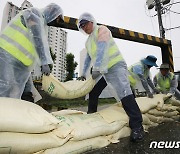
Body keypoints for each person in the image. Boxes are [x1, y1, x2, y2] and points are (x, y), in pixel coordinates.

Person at [77, 12, 144, 142]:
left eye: (85, 24)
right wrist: (83, 74)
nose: (84, 28)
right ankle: (92, 117)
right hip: (103, 70)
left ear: (91, 21)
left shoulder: (102, 30)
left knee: (124, 92)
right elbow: (87, 59)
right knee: (93, 91)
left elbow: (102, 49)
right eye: (82, 26)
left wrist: (96, 68)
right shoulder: (88, 42)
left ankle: (137, 126)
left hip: (115, 66)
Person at [0, 3, 64, 99]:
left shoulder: (42, 24)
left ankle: (11, 112)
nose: (56, 21)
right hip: (8, 53)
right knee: (6, 86)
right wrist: (44, 62)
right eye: (57, 18)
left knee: (19, 91)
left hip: (21, 63)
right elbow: (37, 38)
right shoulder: (34, 13)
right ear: (51, 11)